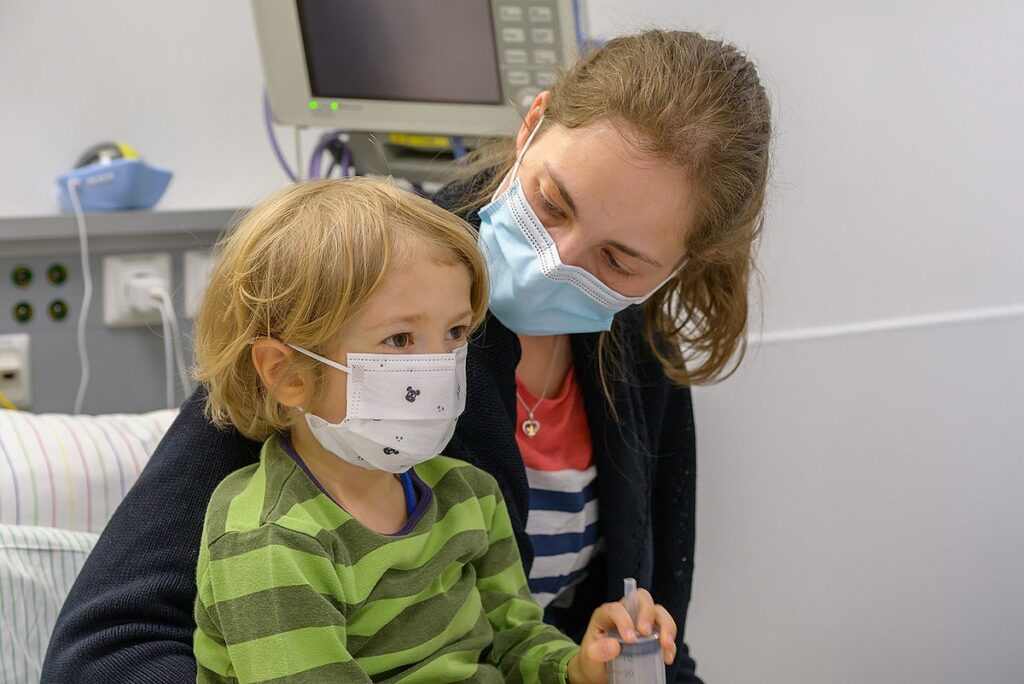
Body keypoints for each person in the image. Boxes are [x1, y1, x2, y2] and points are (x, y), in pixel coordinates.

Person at [43, 29, 771, 683]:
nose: (557, 259)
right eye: (553, 203)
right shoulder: (377, 290)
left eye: (618, 259)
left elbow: (617, 633)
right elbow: (105, 650)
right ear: (530, 126)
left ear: (679, 266)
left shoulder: (639, 353)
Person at [188, 178, 676, 682]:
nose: (440, 365)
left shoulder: (469, 495)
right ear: (288, 374)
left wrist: (580, 666)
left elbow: (515, 642)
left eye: (455, 333)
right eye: (400, 338)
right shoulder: (272, 541)